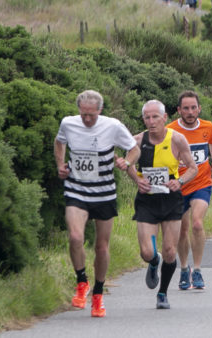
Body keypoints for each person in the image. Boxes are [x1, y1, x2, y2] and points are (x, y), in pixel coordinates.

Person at [54, 90, 139, 317]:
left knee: (101, 246)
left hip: (103, 193)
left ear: (99, 111)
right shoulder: (68, 123)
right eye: (83, 115)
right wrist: (60, 164)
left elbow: (134, 148)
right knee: (75, 237)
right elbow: (59, 142)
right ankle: (82, 282)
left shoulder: (112, 125)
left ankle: (98, 294)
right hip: (76, 189)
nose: (87, 119)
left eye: (91, 115)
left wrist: (126, 161)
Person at [126, 100, 197, 310]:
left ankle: (163, 293)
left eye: (155, 116)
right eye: (147, 117)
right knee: (147, 253)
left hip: (171, 199)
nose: (151, 121)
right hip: (147, 200)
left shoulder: (177, 139)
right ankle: (153, 262)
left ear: (164, 118)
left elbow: (192, 168)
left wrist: (180, 181)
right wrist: (137, 180)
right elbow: (127, 163)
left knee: (169, 250)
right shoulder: (137, 140)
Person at [167, 91, 212, 291]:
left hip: (201, 183)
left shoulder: (207, 126)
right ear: (179, 110)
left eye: (193, 108)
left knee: (197, 224)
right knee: (182, 229)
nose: (190, 112)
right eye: (186, 108)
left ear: (199, 108)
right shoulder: (170, 130)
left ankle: (197, 269)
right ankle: (183, 268)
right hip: (179, 185)